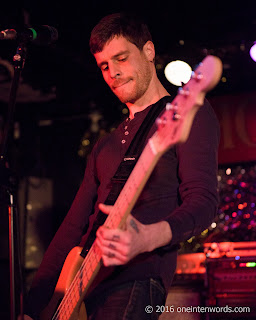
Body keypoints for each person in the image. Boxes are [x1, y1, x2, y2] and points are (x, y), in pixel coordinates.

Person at [24, 12, 220, 320]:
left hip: (136, 277)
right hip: (80, 286)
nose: (112, 72)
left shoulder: (183, 114)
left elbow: (204, 201)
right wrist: (34, 306)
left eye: (121, 58)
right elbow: (73, 227)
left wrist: (147, 237)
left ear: (149, 52)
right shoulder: (105, 144)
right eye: (104, 65)